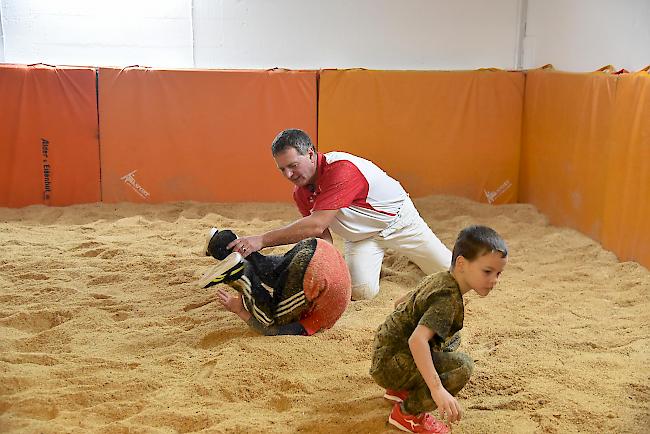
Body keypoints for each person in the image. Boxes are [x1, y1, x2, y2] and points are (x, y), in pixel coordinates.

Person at [226, 128, 452, 300]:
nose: (289, 174)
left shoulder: (341, 168)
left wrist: (262, 240)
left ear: (311, 154)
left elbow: (315, 225)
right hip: (359, 238)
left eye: (293, 165)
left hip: (399, 224)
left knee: (450, 274)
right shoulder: (301, 193)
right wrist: (323, 269)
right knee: (362, 293)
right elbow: (322, 236)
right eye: (282, 169)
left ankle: (411, 256)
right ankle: (383, 258)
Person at [369, 225, 508, 433]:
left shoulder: (439, 278)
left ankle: (400, 388)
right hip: (390, 365)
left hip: (385, 355)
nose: (494, 280)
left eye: (498, 273)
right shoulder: (447, 299)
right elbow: (417, 341)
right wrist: (437, 389)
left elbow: (400, 304)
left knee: (452, 338)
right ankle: (408, 414)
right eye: (487, 271)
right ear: (461, 263)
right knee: (462, 367)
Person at [198, 227, 351, 336]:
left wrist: (239, 309)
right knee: (271, 318)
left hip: (319, 248)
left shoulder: (318, 313)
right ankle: (241, 272)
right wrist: (241, 311)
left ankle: (224, 242)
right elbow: (270, 330)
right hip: (314, 273)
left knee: (268, 270)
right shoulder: (314, 322)